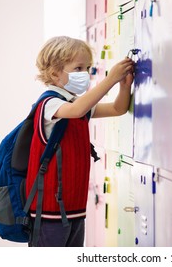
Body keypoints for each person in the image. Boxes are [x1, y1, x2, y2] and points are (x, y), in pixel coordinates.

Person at [25, 36, 134, 247]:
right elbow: (77, 110)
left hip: (74, 208)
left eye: (87, 68)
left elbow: (117, 109)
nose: (84, 74)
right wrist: (109, 79)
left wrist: (123, 86)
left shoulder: (73, 103)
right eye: (78, 68)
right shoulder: (50, 104)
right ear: (55, 72)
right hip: (48, 211)